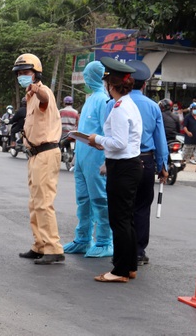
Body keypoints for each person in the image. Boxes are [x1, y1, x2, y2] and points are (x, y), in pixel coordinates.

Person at [87, 57, 143, 283]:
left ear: (112, 85)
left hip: (122, 168)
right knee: (125, 219)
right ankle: (129, 266)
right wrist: (102, 141)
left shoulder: (120, 108)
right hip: (128, 166)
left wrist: (96, 138)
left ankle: (119, 270)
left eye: (107, 83)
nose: (106, 87)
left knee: (119, 220)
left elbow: (118, 143)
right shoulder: (128, 104)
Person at [13, 53, 65, 265]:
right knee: (34, 204)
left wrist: (37, 88)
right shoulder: (29, 96)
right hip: (35, 154)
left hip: (46, 153)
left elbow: (44, 96)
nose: (22, 76)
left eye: (26, 72)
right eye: (20, 73)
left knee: (44, 203)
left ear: (36, 74)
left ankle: (53, 248)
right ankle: (40, 245)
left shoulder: (43, 92)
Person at [63, 61, 113, 258]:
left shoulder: (103, 100)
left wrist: (105, 161)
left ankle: (104, 240)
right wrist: (76, 155)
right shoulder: (90, 99)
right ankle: (83, 239)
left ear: (97, 77)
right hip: (83, 157)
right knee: (83, 199)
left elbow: (106, 132)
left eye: (87, 75)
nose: (85, 79)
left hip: (95, 157)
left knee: (100, 199)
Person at [125, 60, 169, 268]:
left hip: (123, 161)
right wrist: (163, 166)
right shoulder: (153, 107)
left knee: (123, 206)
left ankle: (123, 250)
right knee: (142, 206)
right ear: (143, 85)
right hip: (146, 159)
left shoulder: (116, 104)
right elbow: (160, 140)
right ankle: (139, 251)